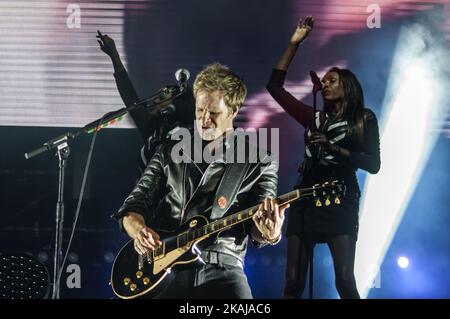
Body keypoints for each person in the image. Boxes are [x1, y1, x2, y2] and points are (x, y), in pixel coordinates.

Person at [112, 63, 289, 299]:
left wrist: (269, 233)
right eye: (199, 110)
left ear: (234, 111)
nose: (204, 120)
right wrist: (139, 230)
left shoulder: (260, 161)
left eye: (214, 113)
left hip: (223, 267)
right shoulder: (170, 149)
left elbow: (257, 230)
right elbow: (135, 204)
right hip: (165, 265)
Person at [266, 16, 381, 299]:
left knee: (344, 280)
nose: (326, 84)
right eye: (324, 81)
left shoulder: (363, 119)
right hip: (305, 199)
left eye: (333, 80)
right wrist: (294, 44)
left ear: (348, 87)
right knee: (292, 283)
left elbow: (373, 164)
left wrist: (333, 148)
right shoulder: (313, 117)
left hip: (341, 199)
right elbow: (275, 88)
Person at [96, 31, 195, 172]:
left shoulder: (195, 132)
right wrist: (114, 56)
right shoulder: (153, 129)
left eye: (161, 97)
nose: (155, 100)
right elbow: (130, 98)